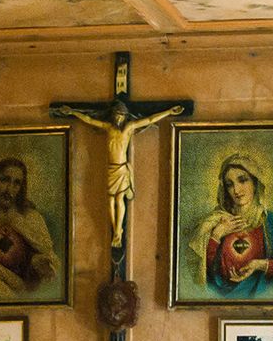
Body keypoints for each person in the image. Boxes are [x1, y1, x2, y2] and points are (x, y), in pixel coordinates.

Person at [55, 100, 183, 247]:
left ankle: (117, 230)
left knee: (119, 199)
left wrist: (168, 112)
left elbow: (149, 119)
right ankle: (116, 228)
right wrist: (72, 112)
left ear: (126, 117)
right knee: (110, 199)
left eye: (122, 116)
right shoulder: (108, 127)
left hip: (121, 168)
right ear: (113, 116)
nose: (119, 118)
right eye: (117, 115)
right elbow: (89, 120)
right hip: (111, 168)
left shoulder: (129, 128)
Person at [187, 153, 273, 298]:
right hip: (220, 299)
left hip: (261, 296)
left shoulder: (271, 222)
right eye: (229, 184)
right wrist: (216, 235)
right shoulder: (214, 222)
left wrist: (259, 265)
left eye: (242, 180)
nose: (236, 190)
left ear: (254, 183)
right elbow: (206, 273)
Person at [0, 157, 59, 299]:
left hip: (23, 294)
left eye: (16, 183)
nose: (9, 189)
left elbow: (49, 258)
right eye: (4, 180)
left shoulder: (31, 218)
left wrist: (39, 264)